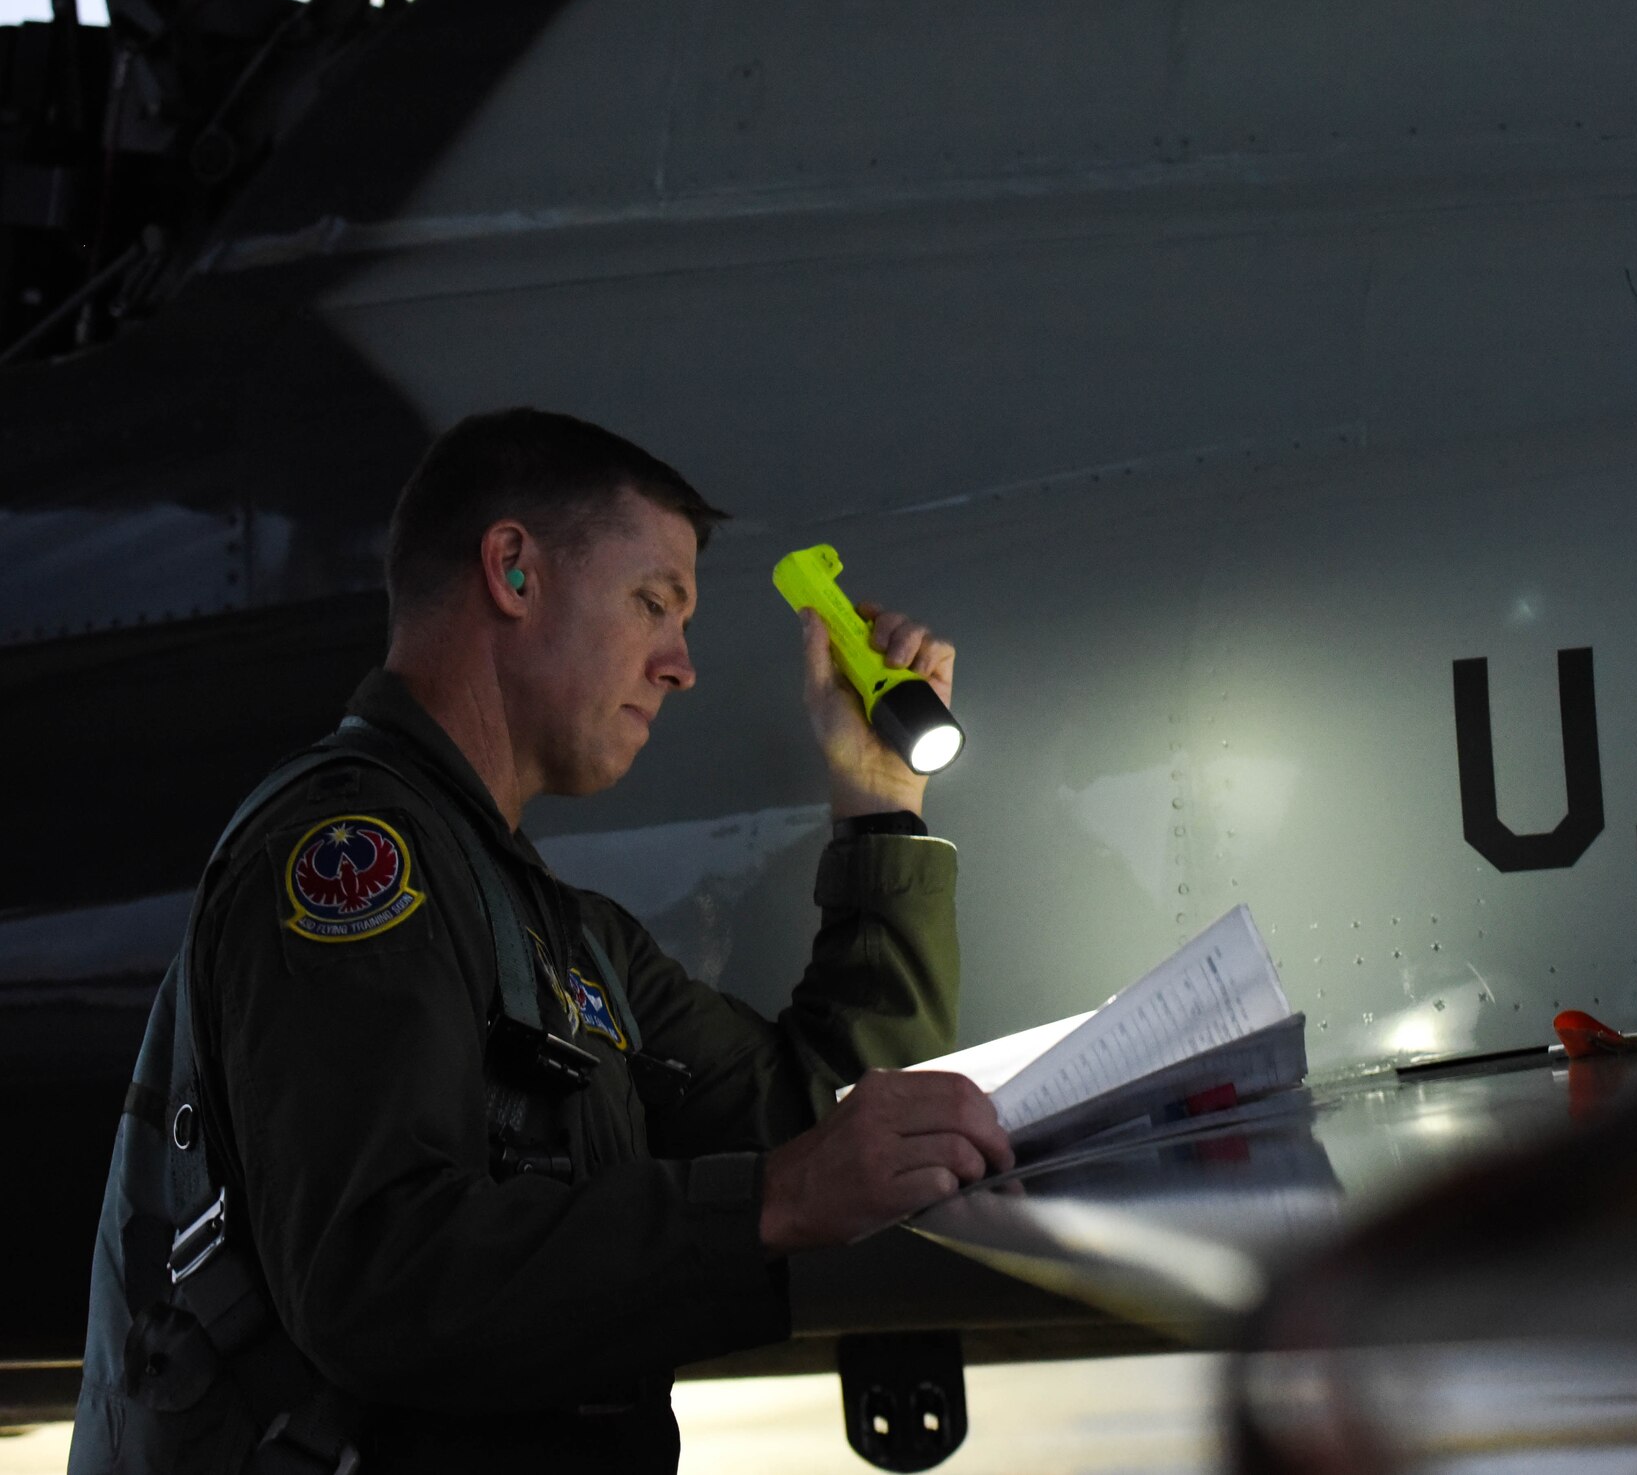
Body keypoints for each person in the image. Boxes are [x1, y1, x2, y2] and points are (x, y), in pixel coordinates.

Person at [74, 407, 1009, 1474]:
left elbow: (851, 1113)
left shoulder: (570, 946)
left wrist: (880, 803)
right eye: (653, 602)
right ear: (513, 572)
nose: (680, 666)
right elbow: (378, 1279)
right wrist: (769, 1200)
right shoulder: (347, 860)